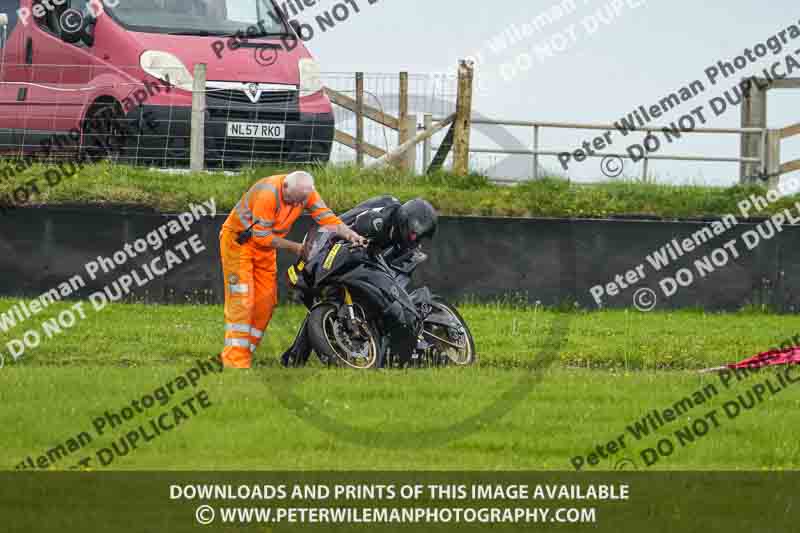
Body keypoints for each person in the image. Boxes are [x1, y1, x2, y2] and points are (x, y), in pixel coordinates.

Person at [219, 171, 366, 369]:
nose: (294, 205)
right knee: (242, 299)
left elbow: (327, 218)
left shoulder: (304, 192)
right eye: (291, 200)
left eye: (299, 202)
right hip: (239, 244)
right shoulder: (268, 194)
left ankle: (245, 352)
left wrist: (351, 235)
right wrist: (297, 248)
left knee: (266, 302)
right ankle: (234, 361)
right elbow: (261, 237)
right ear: (285, 187)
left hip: (265, 251)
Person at [281, 195, 438, 367]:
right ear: (404, 220)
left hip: (385, 257)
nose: (415, 239)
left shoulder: (401, 236)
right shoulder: (379, 219)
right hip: (351, 248)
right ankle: (295, 358)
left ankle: (411, 329)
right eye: (414, 234)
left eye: (419, 237)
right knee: (324, 297)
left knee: (390, 296)